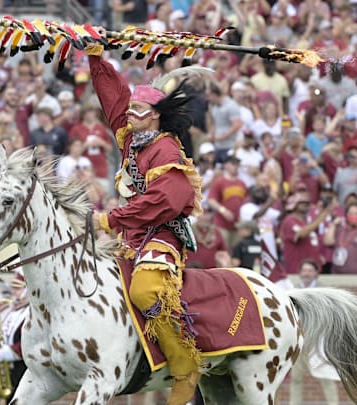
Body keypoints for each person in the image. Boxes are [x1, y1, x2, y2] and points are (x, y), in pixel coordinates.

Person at [87, 41, 205, 404]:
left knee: (144, 291)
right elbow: (113, 98)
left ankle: (185, 366)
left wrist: (110, 219)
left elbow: (162, 202)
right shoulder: (132, 139)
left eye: (137, 110)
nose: (129, 115)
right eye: (131, 109)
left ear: (154, 114)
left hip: (163, 233)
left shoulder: (166, 149)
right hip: (132, 233)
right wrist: (95, 57)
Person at [289, 259, 340, 405]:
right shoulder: (293, 290)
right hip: (299, 343)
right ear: (299, 273)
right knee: (296, 379)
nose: (307, 273)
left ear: (316, 274)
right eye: (304, 270)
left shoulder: (324, 291)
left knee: (326, 379)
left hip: (318, 343)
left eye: (310, 271)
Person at [0, 271, 30, 403]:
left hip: (26, 367)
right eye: (13, 288)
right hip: (10, 367)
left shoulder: (31, 312)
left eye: (18, 288)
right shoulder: (11, 310)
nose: (13, 292)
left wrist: (10, 352)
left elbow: (29, 342)